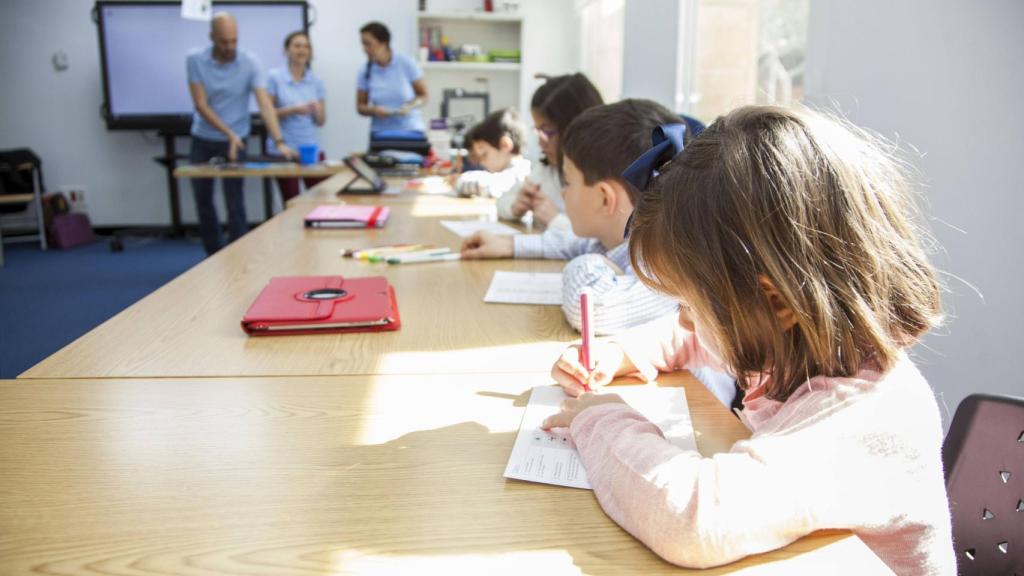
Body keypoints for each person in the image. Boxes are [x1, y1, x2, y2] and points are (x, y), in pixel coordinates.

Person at [543, 106, 956, 573]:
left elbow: (694, 520)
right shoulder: (792, 346)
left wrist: (602, 420)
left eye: (689, 307)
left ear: (773, 302)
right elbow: (697, 343)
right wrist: (621, 353)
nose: (683, 323)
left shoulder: (862, 413)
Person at [186, 12, 294, 255]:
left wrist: (279, 141)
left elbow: (265, 105)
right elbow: (201, 105)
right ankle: (212, 255)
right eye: (224, 41)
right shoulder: (195, 60)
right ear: (212, 37)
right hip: (203, 138)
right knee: (203, 200)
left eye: (234, 40)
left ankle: (237, 256)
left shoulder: (250, 62)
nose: (230, 47)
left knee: (235, 200)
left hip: (238, 138)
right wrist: (229, 134)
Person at [497, 73, 603, 229]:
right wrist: (515, 205)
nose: (541, 141)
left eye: (547, 131)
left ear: (575, 128)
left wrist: (555, 220)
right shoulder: (546, 169)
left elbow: (598, 241)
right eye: (538, 130)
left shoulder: (601, 178)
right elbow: (502, 202)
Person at [267, 30, 326, 203]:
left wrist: (316, 110)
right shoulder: (274, 77)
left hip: (311, 151)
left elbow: (321, 121)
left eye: (306, 46)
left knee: (318, 201)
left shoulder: (316, 81)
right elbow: (268, 113)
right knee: (291, 201)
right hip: (285, 150)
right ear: (286, 50)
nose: (302, 50)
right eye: (297, 45)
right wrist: (292, 110)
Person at [356, 22, 427, 134]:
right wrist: (374, 110)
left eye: (368, 44)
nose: (364, 49)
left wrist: (410, 106)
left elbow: (423, 95)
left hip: (410, 130)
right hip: (380, 133)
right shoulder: (365, 71)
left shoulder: (406, 63)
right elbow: (360, 107)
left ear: (383, 43)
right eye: (363, 44)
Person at [453, 108, 531, 200]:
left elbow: (486, 185)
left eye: (484, 155)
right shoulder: (509, 172)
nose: (481, 162)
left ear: (504, 145)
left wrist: (459, 181)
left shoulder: (521, 173)